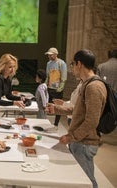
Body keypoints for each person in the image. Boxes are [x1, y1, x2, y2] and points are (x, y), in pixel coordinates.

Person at [46, 49, 107, 188]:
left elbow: (92, 121)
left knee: (87, 182)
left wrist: (71, 137)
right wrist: (57, 109)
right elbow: (79, 110)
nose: (71, 68)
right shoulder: (86, 84)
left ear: (79, 64)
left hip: (84, 143)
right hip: (81, 141)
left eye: (72, 64)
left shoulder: (94, 87)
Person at [45, 47, 67, 127]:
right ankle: (46, 121)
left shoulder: (61, 63)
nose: (49, 56)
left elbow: (64, 76)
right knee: (48, 105)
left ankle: (56, 123)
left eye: (51, 55)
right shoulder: (48, 63)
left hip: (57, 89)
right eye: (48, 55)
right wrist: (45, 84)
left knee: (58, 107)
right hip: (50, 87)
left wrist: (61, 87)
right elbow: (47, 76)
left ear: (55, 54)